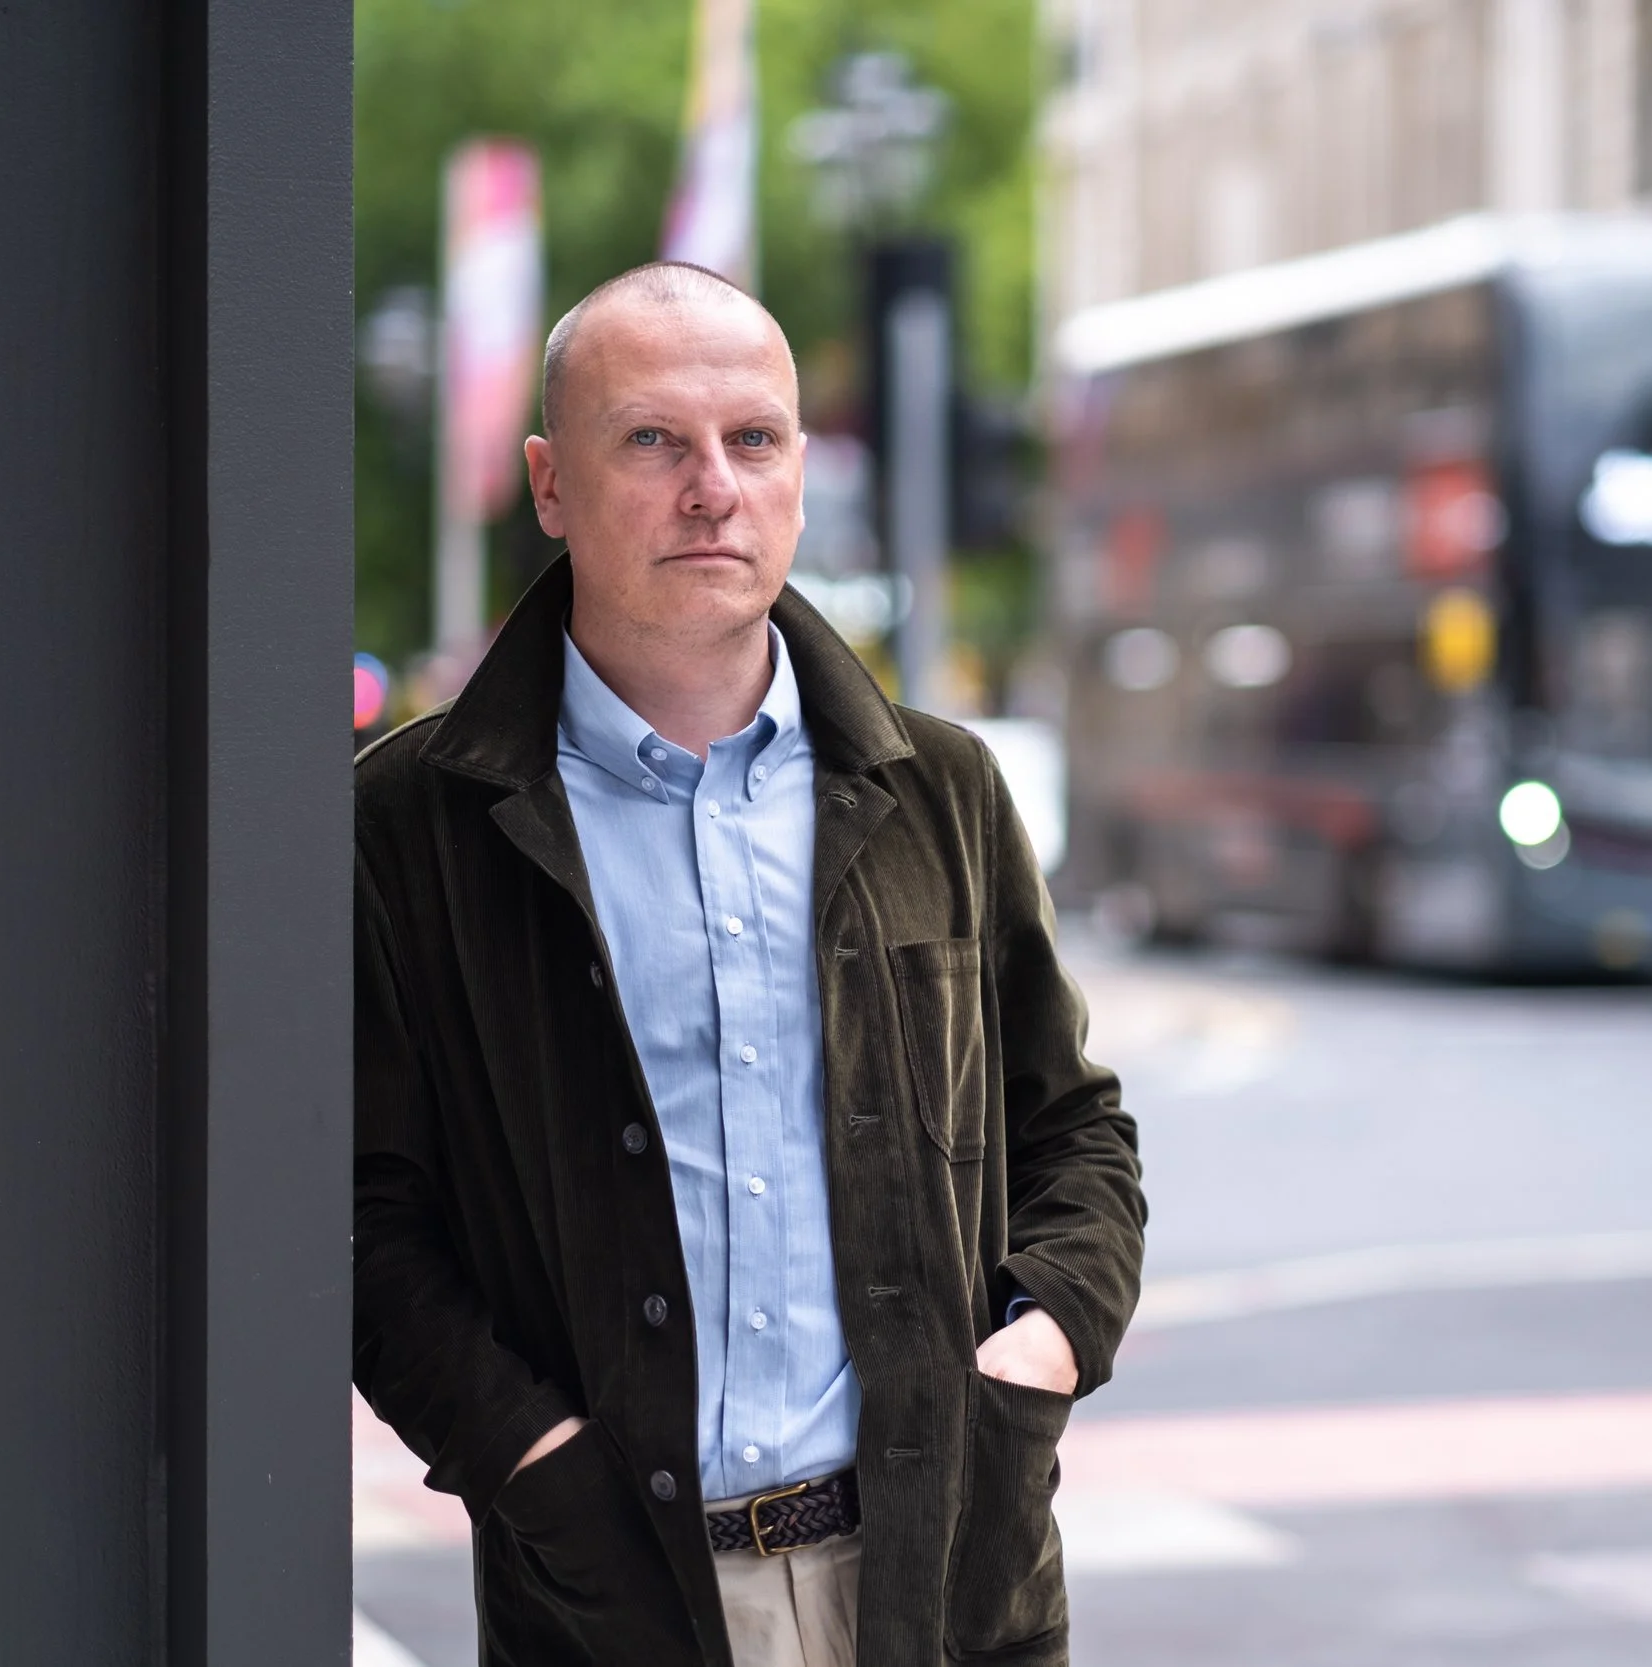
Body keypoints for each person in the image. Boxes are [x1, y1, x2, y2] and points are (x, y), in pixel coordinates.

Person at [353, 261, 1146, 1667]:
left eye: (755, 439)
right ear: (550, 482)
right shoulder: (411, 821)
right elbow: (363, 1215)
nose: (712, 486)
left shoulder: (940, 787)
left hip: (947, 1582)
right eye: (653, 439)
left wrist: (1041, 1351)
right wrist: (530, 1457)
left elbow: (1075, 1128)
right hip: (615, 1600)